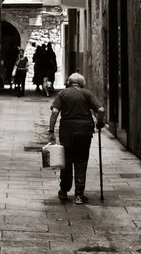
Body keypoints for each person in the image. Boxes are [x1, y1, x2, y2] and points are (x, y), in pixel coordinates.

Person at [48, 72, 105, 205]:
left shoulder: (62, 94)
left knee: (66, 161)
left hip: (66, 132)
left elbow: (55, 112)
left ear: (69, 82)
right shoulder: (87, 94)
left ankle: (63, 191)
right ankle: (79, 195)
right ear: (82, 83)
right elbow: (101, 110)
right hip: (84, 132)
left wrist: (51, 130)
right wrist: (99, 122)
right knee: (81, 161)